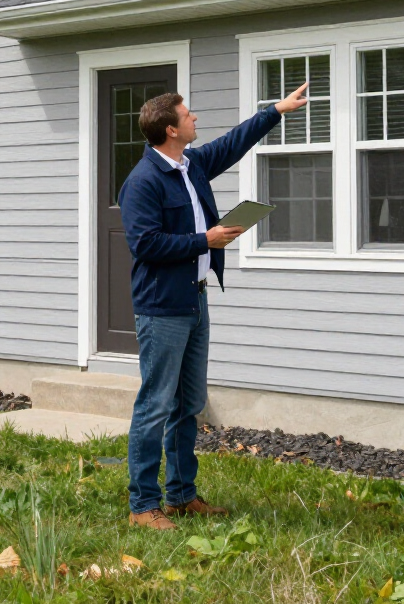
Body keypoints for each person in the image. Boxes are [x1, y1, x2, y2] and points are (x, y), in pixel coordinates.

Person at [118, 82, 309, 530]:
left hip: (196, 299)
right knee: (155, 404)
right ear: (170, 129)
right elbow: (144, 244)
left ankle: (182, 495)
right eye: (188, 116)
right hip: (162, 308)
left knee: (189, 403)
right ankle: (143, 505)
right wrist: (207, 239)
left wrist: (275, 111)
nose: (195, 119)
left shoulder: (192, 164)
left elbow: (233, 143)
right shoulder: (142, 181)